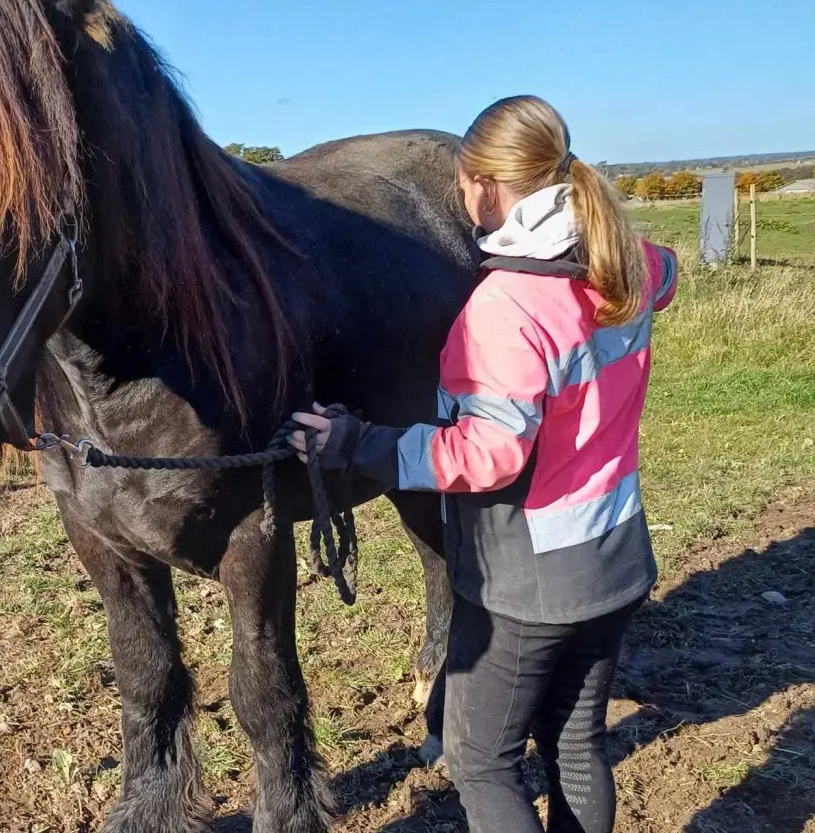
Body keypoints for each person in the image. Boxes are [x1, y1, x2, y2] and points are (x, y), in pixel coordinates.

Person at [290, 95, 678, 833]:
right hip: (618, 557)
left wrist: (357, 445)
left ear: (481, 184)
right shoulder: (628, 268)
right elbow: (669, 272)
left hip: (527, 587)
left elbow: (487, 456)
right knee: (574, 744)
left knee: (480, 762)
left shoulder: (505, 307)